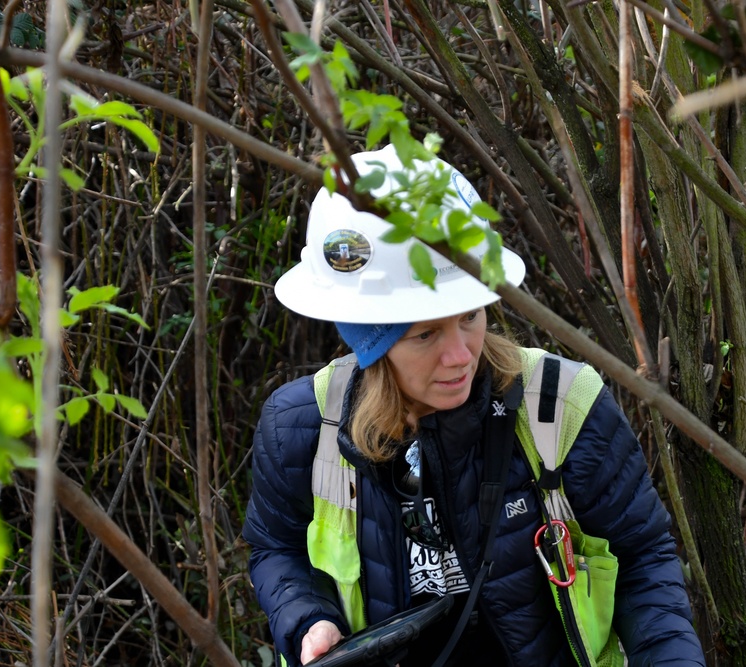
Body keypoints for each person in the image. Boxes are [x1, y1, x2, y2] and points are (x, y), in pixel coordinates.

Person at [242, 144, 706, 667]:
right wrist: (306, 619)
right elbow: (274, 549)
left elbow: (642, 559)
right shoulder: (305, 426)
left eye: (470, 317)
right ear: (370, 341)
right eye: (425, 334)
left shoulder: (560, 408)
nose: (461, 355)